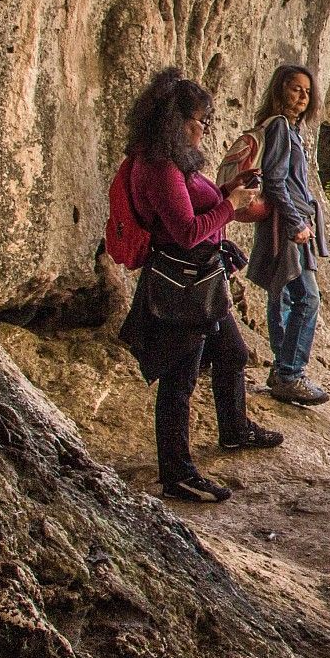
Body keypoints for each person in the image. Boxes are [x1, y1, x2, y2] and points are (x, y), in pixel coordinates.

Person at [115, 68, 283, 505]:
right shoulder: (159, 167)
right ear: (176, 120)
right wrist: (230, 205)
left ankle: (234, 429)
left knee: (231, 352)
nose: (205, 128)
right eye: (200, 120)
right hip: (183, 285)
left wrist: (227, 190)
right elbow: (188, 230)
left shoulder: (170, 162)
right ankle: (178, 474)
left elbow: (193, 204)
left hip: (200, 281)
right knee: (179, 378)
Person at [246, 63, 330, 406]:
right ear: (280, 89)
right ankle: (290, 374)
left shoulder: (288, 129)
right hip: (288, 225)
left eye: (307, 91)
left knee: (281, 294)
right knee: (307, 297)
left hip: (285, 223)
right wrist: (297, 223)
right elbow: (277, 180)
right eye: (296, 88)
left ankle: (281, 369)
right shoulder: (281, 127)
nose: (302, 96)